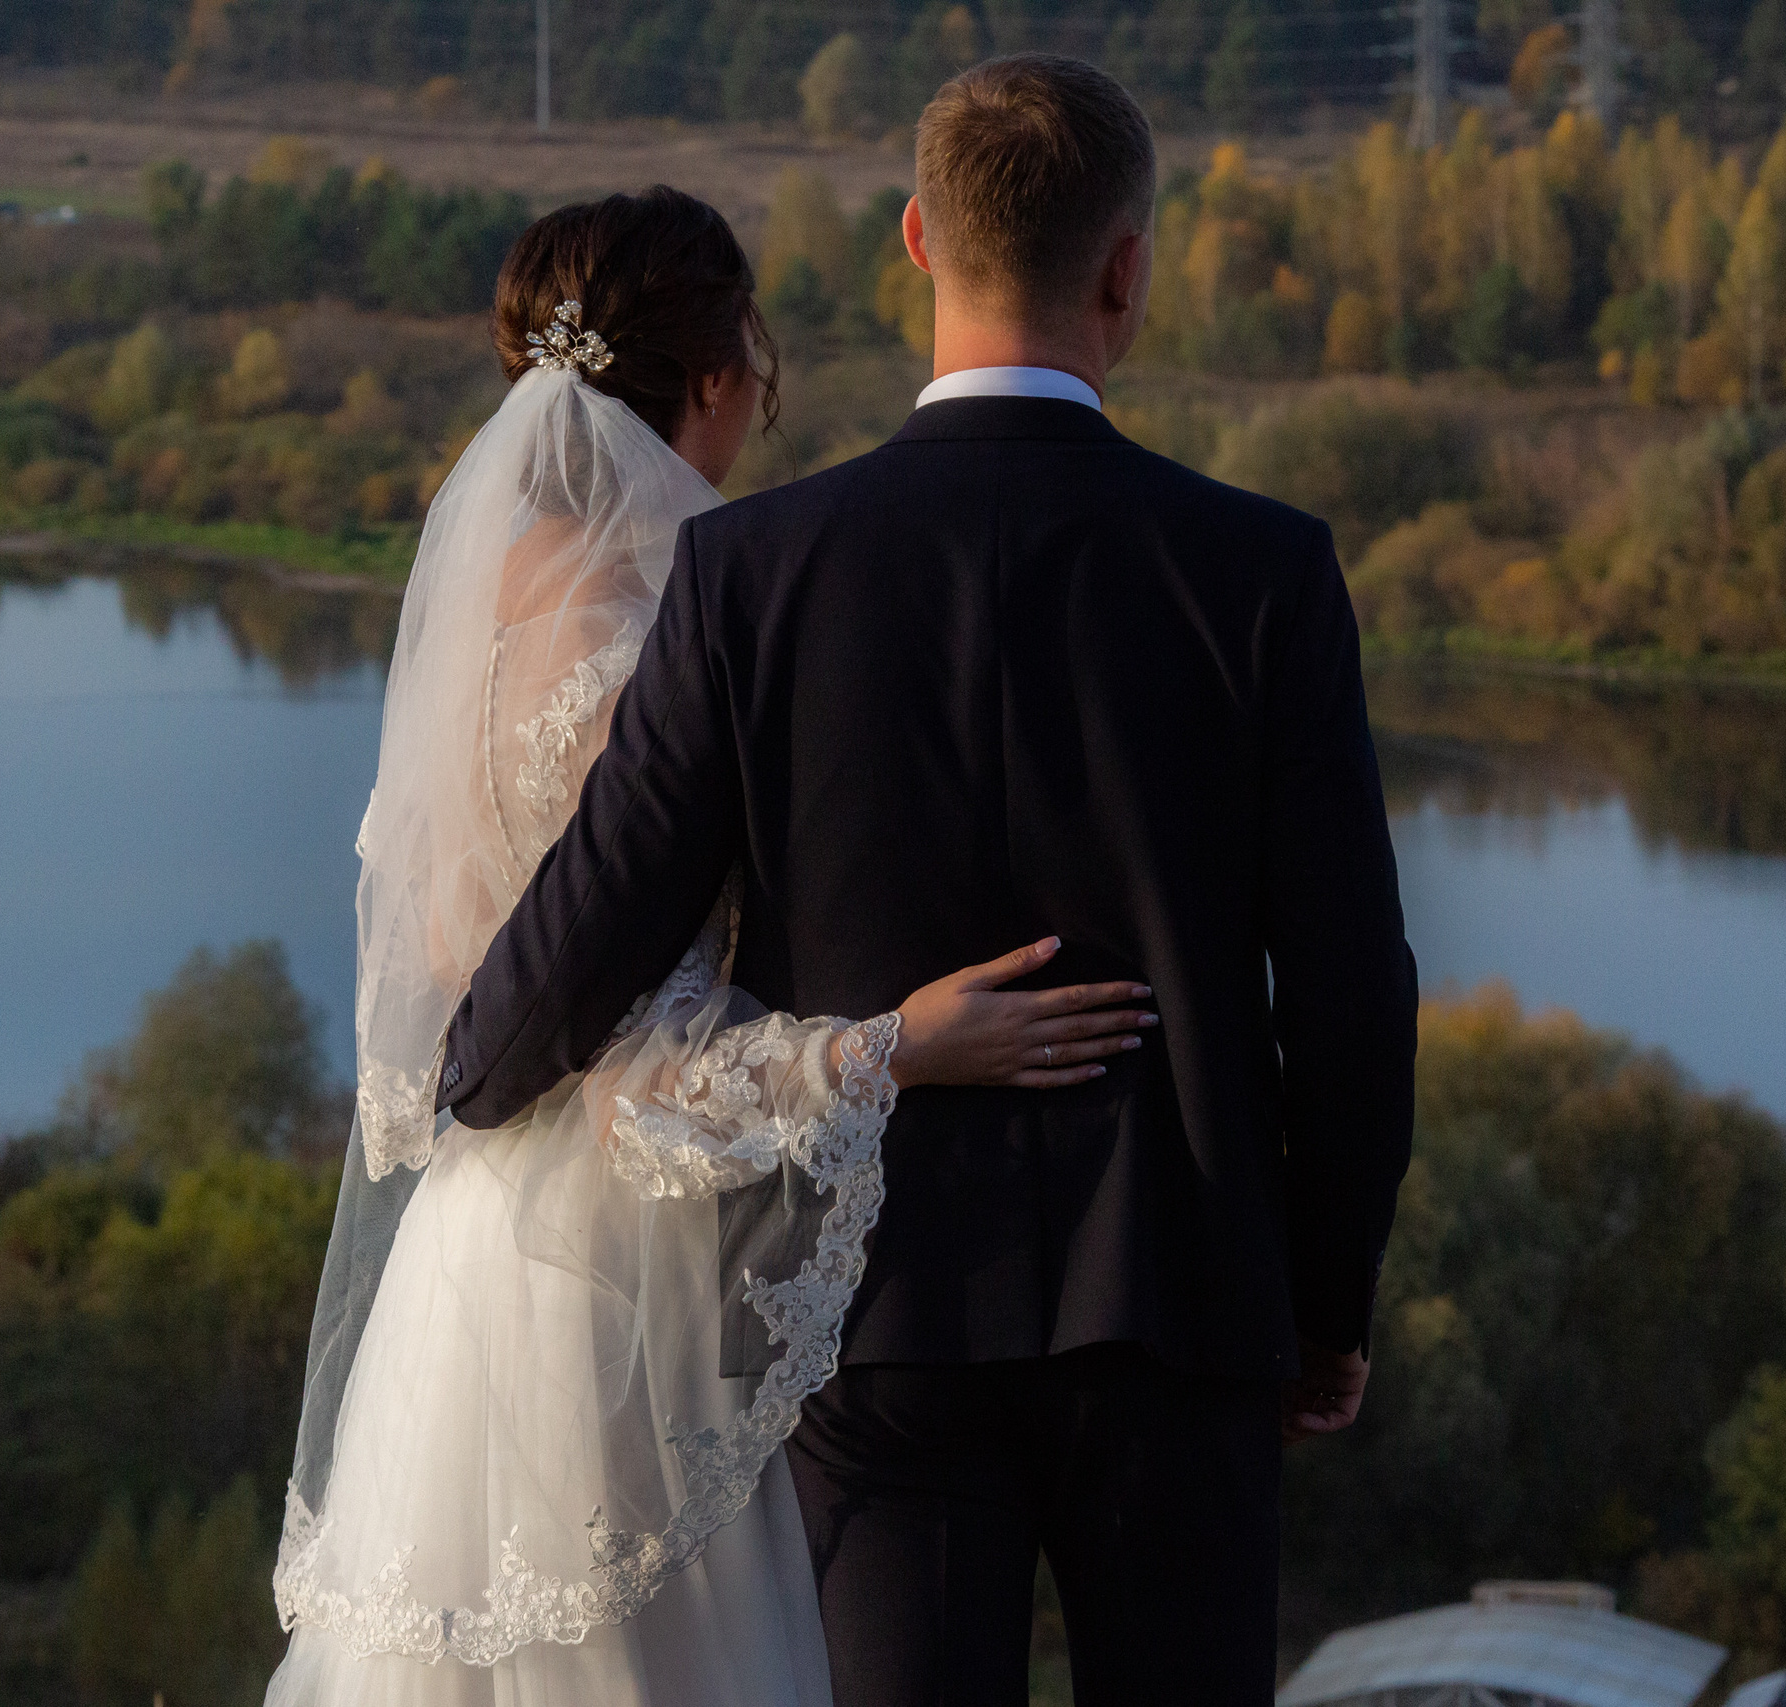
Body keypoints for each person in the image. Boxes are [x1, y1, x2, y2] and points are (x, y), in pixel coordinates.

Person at [437, 54, 1421, 1707]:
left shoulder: (749, 572)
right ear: (1129, 266)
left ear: (913, 240)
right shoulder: (1262, 569)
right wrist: (1327, 1305)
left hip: (878, 1324)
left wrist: (479, 1069)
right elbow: (1347, 994)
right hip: (1182, 1310)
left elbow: (585, 935)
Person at [265, 186, 1151, 1707]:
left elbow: (467, 976)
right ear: (722, 373)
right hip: (609, 1288)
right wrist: (898, 1045)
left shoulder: (482, 602)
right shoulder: (671, 609)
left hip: (468, 1262)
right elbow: (628, 1068)